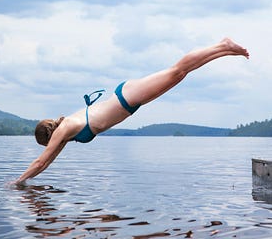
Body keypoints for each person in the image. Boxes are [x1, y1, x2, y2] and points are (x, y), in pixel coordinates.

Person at [15, 38, 249, 185]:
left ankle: (222, 46)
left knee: (176, 70)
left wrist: (16, 183)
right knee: (179, 74)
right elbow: (47, 162)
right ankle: (224, 50)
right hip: (129, 102)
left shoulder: (64, 129)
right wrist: (26, 181)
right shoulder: (65, 133)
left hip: (126, 98)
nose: (50, 148)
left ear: (47, 137)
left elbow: (39, 162)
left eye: (46, 145)